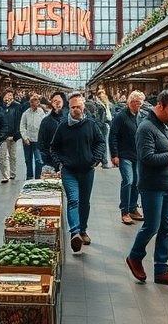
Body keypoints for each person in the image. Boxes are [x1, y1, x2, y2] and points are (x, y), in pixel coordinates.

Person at [126, 90, 168, 287]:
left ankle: (161, 270)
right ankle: (135, 256)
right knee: (152, 226)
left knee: (166, 229)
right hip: (152, 187)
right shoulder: (146, 128)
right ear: (160, 105)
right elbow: (147, 158)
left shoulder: (166, 125)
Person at [51, 91, 106, 253]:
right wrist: (60, 163)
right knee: (74, 200)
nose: (76, 110)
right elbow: (54, 147)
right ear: (69, 107)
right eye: (73, 107)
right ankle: (75, 232)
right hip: (69, 171)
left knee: (85, 202)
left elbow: (100, 142)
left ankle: (83, 230)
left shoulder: (91, 124)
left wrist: (95, 159)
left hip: (87, 170)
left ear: (83, 107)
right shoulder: (63, 126)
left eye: (79, 107)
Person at [110, 90, 145, 225]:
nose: (139, 106)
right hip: (124, 155)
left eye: (140, 103)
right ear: (130, 102)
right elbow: (113, 135)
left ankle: (133, 208)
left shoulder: (140, 116)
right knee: (128, 181)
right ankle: (124, 211)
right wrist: (114, 155)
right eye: (137, 103)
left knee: (136, 182)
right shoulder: (121, 117)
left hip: (137, 155)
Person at [19, 93, 47, 179]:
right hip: (27, 140)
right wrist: (25, 137)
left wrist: (42, 138)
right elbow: (22, 126)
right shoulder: (25, 114)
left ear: (38, 103)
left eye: (36, 102)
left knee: (38, 160)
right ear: (30, 103)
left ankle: (38, 177)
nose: (34, 105)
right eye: (32, 103)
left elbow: (44, 125)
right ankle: (29, 176)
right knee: (28, 159)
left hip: (38, 140)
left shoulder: (42, 113)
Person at [38, 91, 66, 172]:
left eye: (59, 101)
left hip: (68, 163)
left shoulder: (69, 120)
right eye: (54, 101)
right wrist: (47, 160)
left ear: (64, 102)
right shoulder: (46, 121)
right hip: (51, 162)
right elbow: (41, 142)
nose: (57, 104)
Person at [0, 89, 20, 183]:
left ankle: (12, 173)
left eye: (11, 95)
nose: (10, 97)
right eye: (8, 95)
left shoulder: (17, 106)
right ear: (4, 96)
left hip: (12, 136)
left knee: (13, 156)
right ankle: (4, 175)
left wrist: (15, 136)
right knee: (2, 156)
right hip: (2, 136)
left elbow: (18, 122)